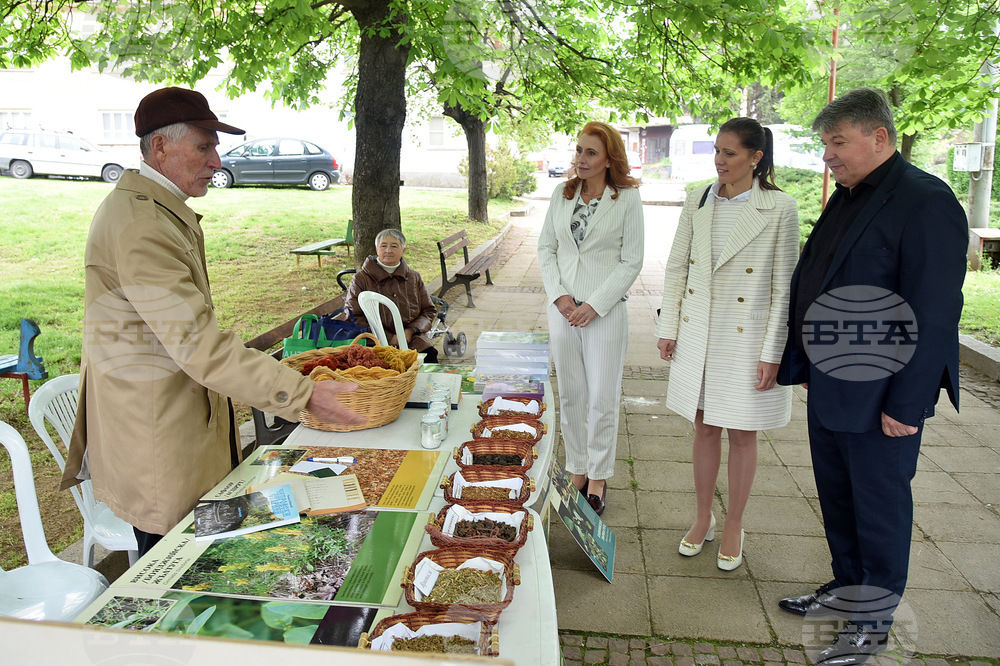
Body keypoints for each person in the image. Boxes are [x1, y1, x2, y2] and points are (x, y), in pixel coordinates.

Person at [60, 87, 365, 557]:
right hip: (158, 435)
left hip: (171, 418)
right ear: (160, 147)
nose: (217, 160)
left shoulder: (154, 209)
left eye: (215, 147)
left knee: (194, 556)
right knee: (175, 567)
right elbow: (197, 343)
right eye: (204, 146)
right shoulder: (142, 223)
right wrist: (303, 394)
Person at [776, 87, 967, 665]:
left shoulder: (924, 201)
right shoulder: (849, 196)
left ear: (878, 137)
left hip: (885, 391)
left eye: (838, 142)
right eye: (825, 144)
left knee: (879, 505)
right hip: (833, 381)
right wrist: (807, 364)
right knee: (838, 497)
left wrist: (907, 406)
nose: (828, 156)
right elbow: (821, 279)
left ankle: (873, 621)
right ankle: (844, 587)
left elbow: (935, 313)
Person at [655, 117, 799, 571]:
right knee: (702, 426)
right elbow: (677, 266)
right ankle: (703, 518)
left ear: (756, 158)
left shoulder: (780, 208)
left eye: (730, 153)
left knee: (741, 430)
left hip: (747, 336)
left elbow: (784, 289)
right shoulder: (698, 198)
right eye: (717, 151)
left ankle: (734, 522)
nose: (720, 160)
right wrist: (669, 325)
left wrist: (772, 352)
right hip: (700, 330)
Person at [537, 121, 644, 516]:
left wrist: (594, 304)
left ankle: (598, 474)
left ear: (609, 158)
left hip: (605, 312)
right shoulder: (562, 194)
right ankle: (577, 467)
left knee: (601, 395)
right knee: (572, 392)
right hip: (562, 311)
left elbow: (632, 260)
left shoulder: (626, 198)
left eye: (591, 153)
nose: (581, 159)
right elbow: (547, 249)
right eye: (579, 150)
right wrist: (560, 296)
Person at [345, 228, 440, 363]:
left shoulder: (414, 277)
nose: (388, 250)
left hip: (412, 340)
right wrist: (389, 337)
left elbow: (428, 311)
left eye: (394, 246)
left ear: (403, 251)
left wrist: (410, 331)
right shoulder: (361, 279)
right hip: (375, 342)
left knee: (430, 360)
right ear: (377, 249)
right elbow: (354, 316)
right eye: (383, 246)